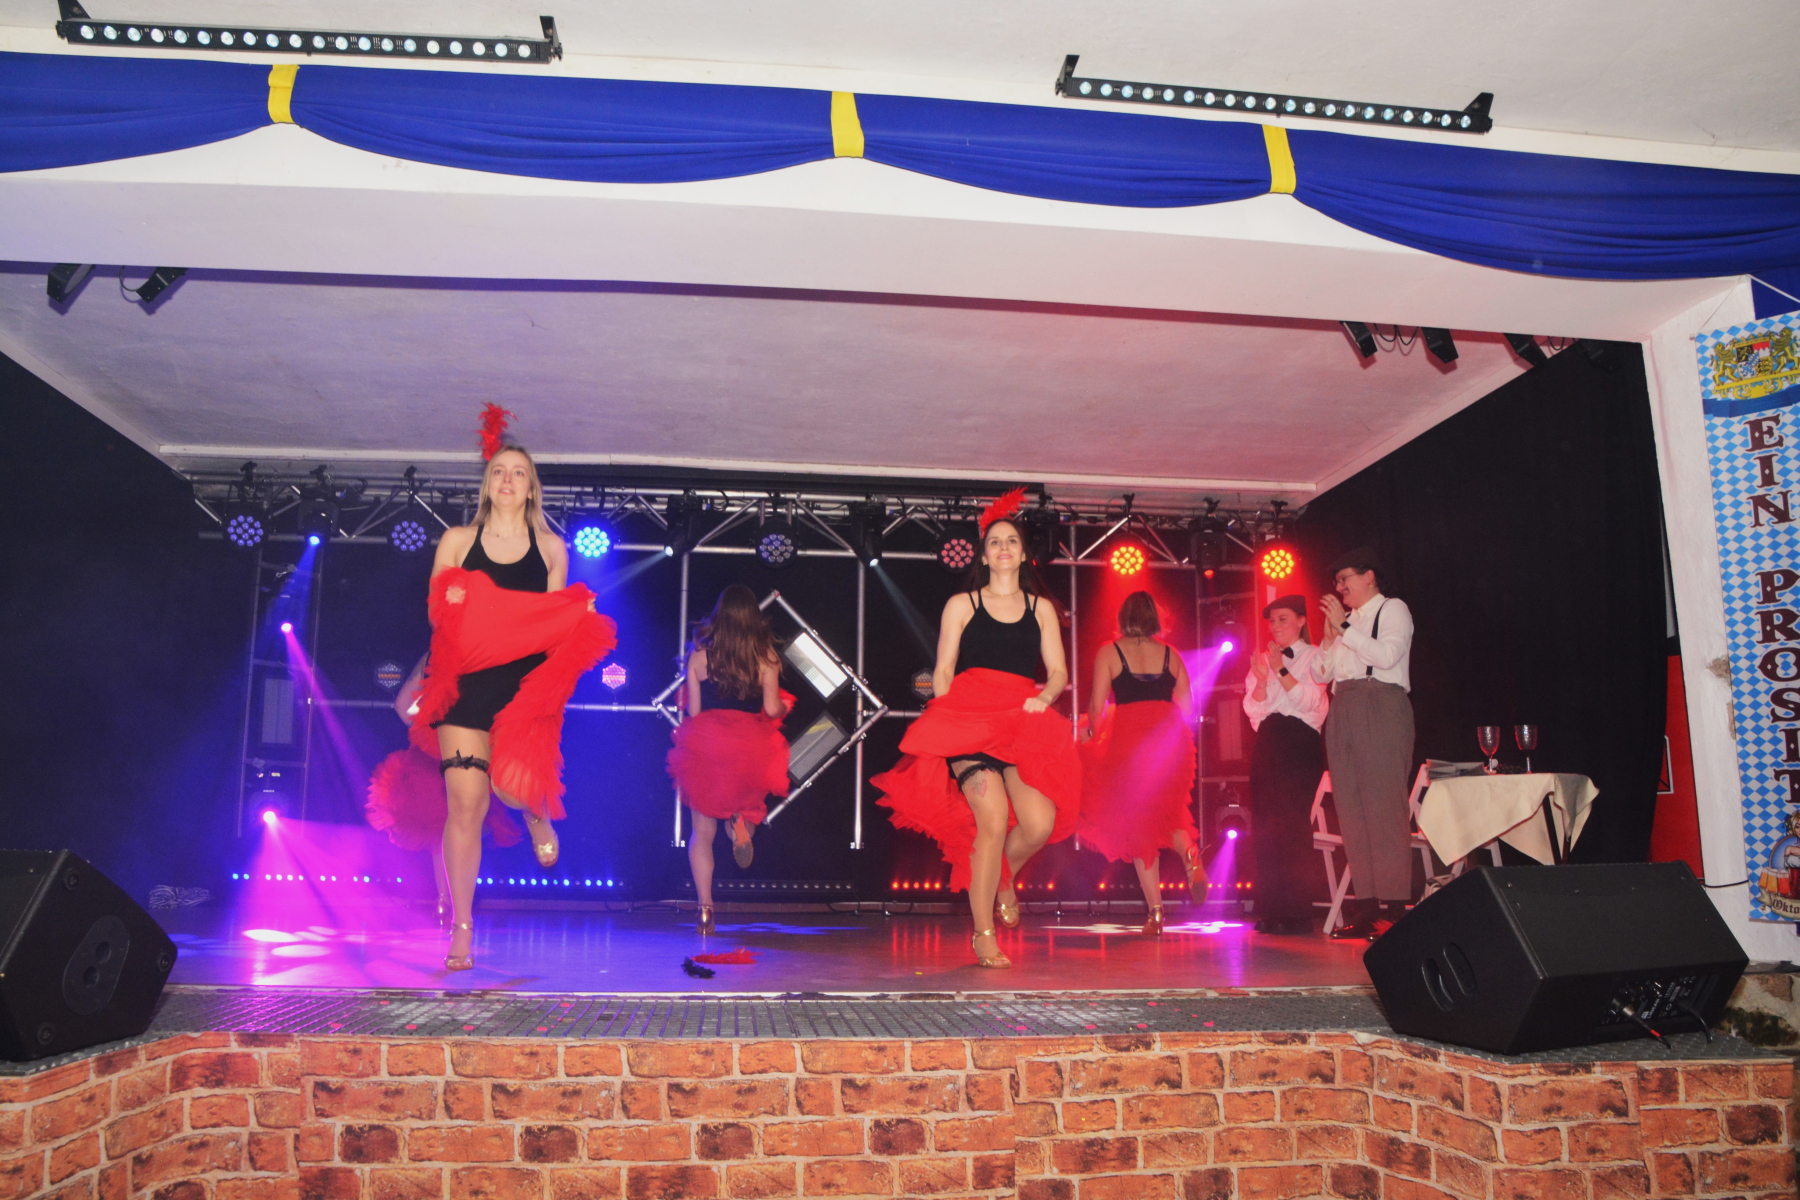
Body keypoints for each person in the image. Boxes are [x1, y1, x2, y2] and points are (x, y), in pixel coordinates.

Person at [408, 417, 616, 971]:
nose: (507, 479)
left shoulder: (550, 548)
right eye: (499, 470)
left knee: (511, 785)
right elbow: (436, 614)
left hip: (520, 688)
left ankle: (534, 814)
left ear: (531, 488)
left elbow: (550, 623)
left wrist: (576, 615)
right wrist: (454, 601)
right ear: (487, 483)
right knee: (466, 805)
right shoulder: (457, 541)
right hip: (464, 684)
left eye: (518, 472)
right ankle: (462, 924)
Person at [872, 489, 1080, 969]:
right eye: (994, 542)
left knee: (1040, 823)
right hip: (968, 723)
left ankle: (1004, 878)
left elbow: (1058, 672)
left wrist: (1045, 697)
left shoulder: (1040, 608)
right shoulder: (961, 604)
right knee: (992, 821)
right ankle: (983, 932)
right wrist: (948, 719)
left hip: (1020, 725)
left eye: (1012, 541)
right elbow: (943, 670)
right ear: (984, 556)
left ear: (1023, 554)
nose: (1003, 548)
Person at [668, 585, 791, 934]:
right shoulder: (766, 657)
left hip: (707, 745)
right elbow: (771, 709)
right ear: (753, 617)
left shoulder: (698, 656)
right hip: (748, 745)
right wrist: (783, 706)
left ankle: (705, 909)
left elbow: (693, 711)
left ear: (719, 616)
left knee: (702, 832)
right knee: (745, 809)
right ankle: (740, 827)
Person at [364, 655, 522, 927]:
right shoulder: (464, 663)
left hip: (447, 758)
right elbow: (404, 707)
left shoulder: (445, 663)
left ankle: (448, 902)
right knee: (452, 832)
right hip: (448, 760)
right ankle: (451, 903)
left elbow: (403, 706)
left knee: (450, 834)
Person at [1078, 591, 1202, 935]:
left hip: (1129, 745)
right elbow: (1188, 707)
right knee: (1168, 815)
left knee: (1139, 827)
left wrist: (1092, 736)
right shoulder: (1171, 654)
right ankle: (1191, 856)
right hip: (1170, 745)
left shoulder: (1110, 652)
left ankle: (1156, 913)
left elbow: (1096, 707)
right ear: (1154, 618)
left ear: (1123, 617)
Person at [1310, 547, 1415, 940]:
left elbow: (1387, 656)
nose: (1340, 587)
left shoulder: (1393, 609)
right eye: (1336, 581)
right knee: (1351, 811)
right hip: (1344, 708)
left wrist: (1344, 628)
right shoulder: (1347, 622)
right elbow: (1321, 674)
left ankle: (1394, 909)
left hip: (1380, 704)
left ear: (1369, 576)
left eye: (1345, 579)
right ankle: (1368, 908)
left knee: (1384, 808)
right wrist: (1328, 639)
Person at [1242, 594, 1328, 935]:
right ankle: (1272, 909)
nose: (1275, 627)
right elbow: (1254, 712)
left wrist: (1280, 669)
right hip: (1268, 741)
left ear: (1301, 621)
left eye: (1283, 619)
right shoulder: (1262, 659)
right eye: (1272, 621)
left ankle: (1297, 913)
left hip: (1299, 743)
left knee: (1293, 825)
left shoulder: (1316, 656)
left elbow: (1310, 702)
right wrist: (1263, 679)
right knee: (1265, 827)